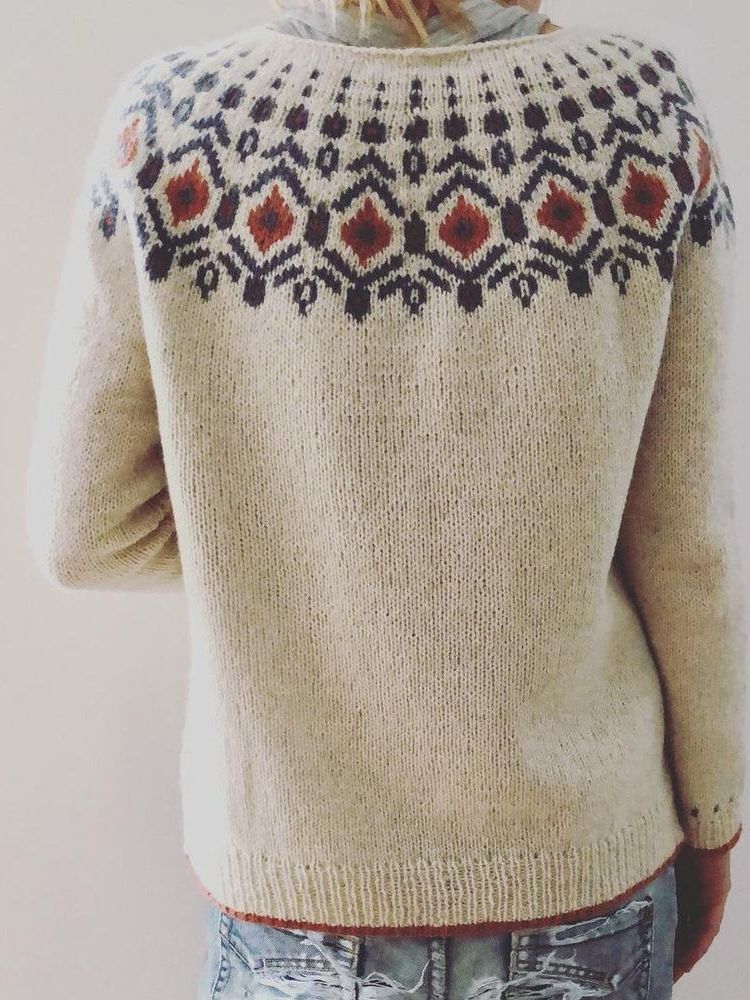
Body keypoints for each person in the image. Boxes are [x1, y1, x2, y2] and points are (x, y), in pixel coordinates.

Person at [25, 1, 744, 998]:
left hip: (293, 886)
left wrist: (302, 540)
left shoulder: (169, 124)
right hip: (584, 866)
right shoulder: (641, 114)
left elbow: (84, 533)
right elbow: (687, 547)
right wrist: (713, 819)